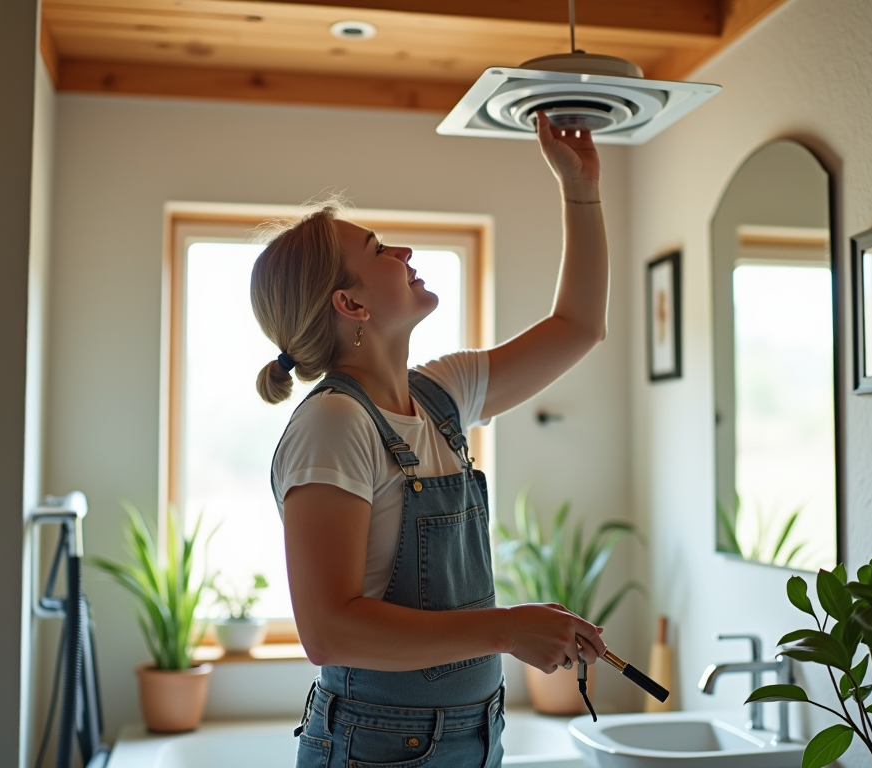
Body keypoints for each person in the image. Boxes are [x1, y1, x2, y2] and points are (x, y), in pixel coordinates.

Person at [250, 111, 610, 768]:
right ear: (350, 305)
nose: (405, 254)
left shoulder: (442, 394)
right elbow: (328, 631)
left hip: (473, 734)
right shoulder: (332, 424)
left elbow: (579, 325)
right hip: (380, 746)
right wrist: (508, 628)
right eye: (379, 251)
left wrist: (581, 190)